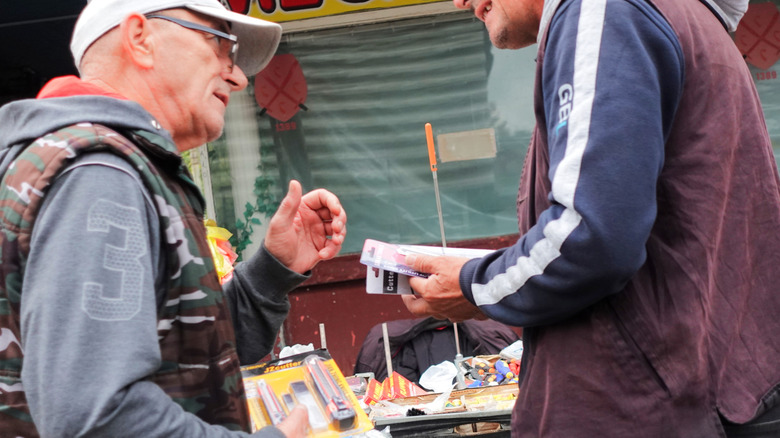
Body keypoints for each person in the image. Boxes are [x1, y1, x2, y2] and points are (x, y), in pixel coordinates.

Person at [402, 0, 780, 436]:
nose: (460, 1)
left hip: (645, 411)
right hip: (709, 399)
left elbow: (589, 236)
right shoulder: (682, 17)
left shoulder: (602, 11)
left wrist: (474, 284)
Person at [0, 0, 347, 437]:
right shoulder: (99, 175)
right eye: (220, 44)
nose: (238, 76)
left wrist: (271, 270)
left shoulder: (115, 165)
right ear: (140, 39)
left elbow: (184, 359)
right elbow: (96, 417)